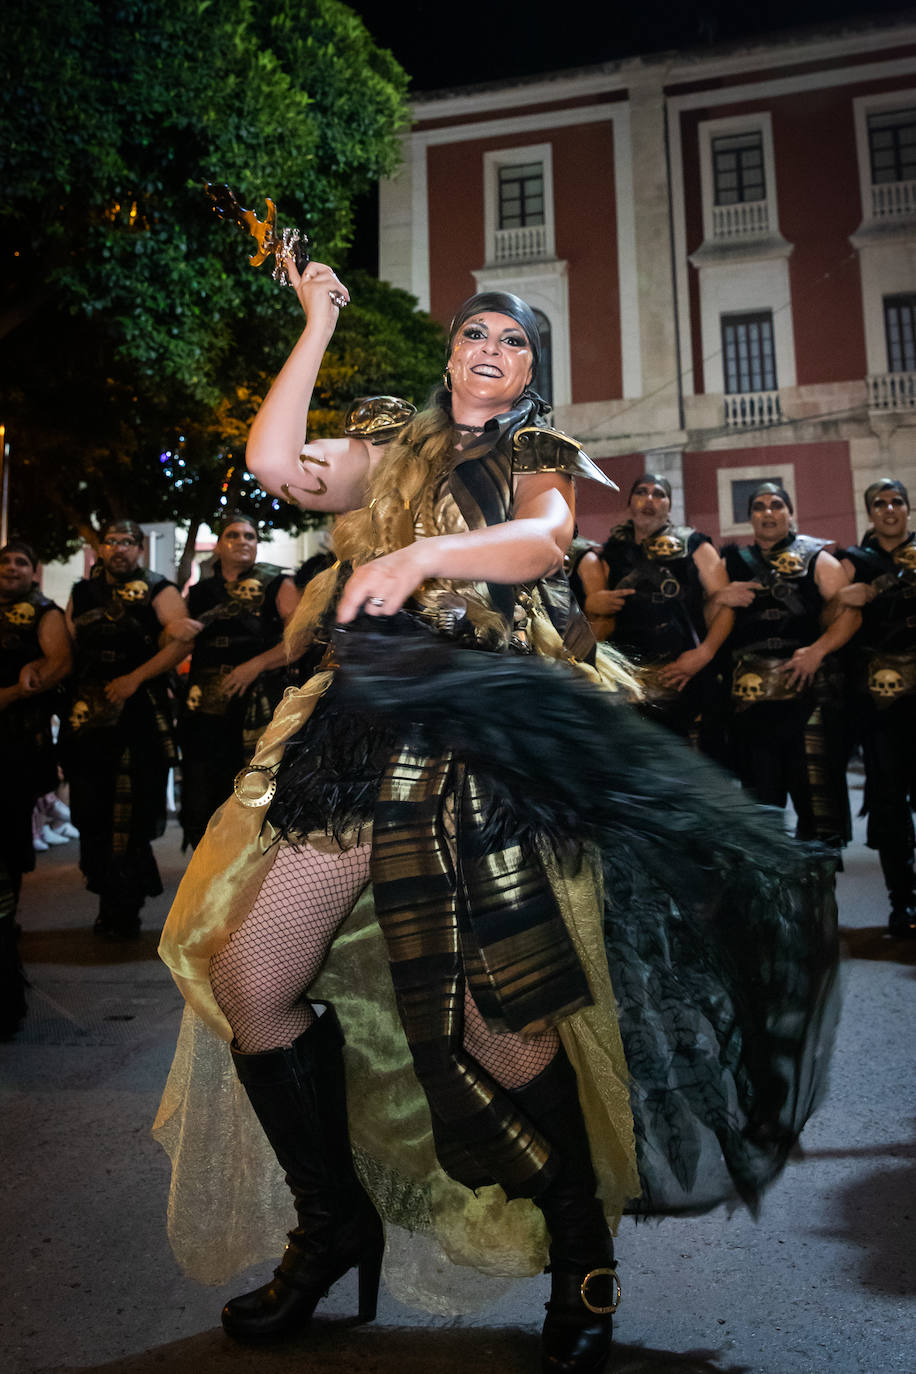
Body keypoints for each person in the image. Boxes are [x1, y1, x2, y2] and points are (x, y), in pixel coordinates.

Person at [155, 267, 838, 1372]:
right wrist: (317, 321)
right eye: (473, 333)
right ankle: (333, 1229)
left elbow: (544, 542)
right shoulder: (391, 447)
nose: (488, 350)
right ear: (449, 351)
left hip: (481, 743)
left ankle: (580, 1250)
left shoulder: (537, 459)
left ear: (531, 369)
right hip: (355, 735)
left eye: (512, 343)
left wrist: (424, 554)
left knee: (499, 1024)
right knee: (252, 983)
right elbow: (277, 464)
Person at [62, 521, 189, 940]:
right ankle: (107, 898)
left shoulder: (159, 589)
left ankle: (125, 906)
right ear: (101, 548)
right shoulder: (82, 593)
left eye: (127, 542)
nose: (118, 548)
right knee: (91, 808)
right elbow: (67, 647)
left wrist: (135, 678)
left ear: (139, 548)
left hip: (139, 716)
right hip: (90, 716)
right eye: (111, 542)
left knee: (131, 811)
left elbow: (181, 641)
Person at [712, 483, 858, 846]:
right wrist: (718, 597)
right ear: (751, 518)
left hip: (808, 699)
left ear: (790, 512)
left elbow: (850, 617)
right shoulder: (729, 562)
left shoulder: (818, 559)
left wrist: (818, 651)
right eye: (759, 507)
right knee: (761, 813)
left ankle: (820, 896)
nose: (768, 512)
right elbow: (707, 622)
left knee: (818, 814)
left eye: (776, 505)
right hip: (751, 703)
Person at [171, 514, 299, 849]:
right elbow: (178, 644)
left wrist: (254, 665)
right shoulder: (199, 593)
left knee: (255, 790)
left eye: (250, 536)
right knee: (203, 789)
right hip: (204, 706)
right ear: (218, 545)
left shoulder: (277, 583)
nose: (243, 541)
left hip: (258, 703)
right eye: (233, 535)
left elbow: (301, 638)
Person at [577, 475, 732, 744]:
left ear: (669, 506)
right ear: (630, 504)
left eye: (659, 494)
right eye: (641, 492)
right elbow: (598, 616)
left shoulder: (695, 545)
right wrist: (592, 605)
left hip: (684, 672)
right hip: (631, 677)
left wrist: (704, 654)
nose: (649, 499)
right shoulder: (611, 553)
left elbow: (727, 603)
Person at [836, 478, 916, 936]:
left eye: (897, 502)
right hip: (880, 705)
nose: (889, 509)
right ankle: (903, 903)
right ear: (870, 513)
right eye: (880, 503)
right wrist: (842, 601)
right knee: (889, 806)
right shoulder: (855, 562)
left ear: (907, 509)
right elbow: (829, 618)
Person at [0, 541, 71, 1036]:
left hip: (14, 748)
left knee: (8, 849)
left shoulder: (44, 613)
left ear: (34, 572)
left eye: (20, 562)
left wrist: (19, 689)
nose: (10, 569)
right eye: (3, 561)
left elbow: (59, 662)